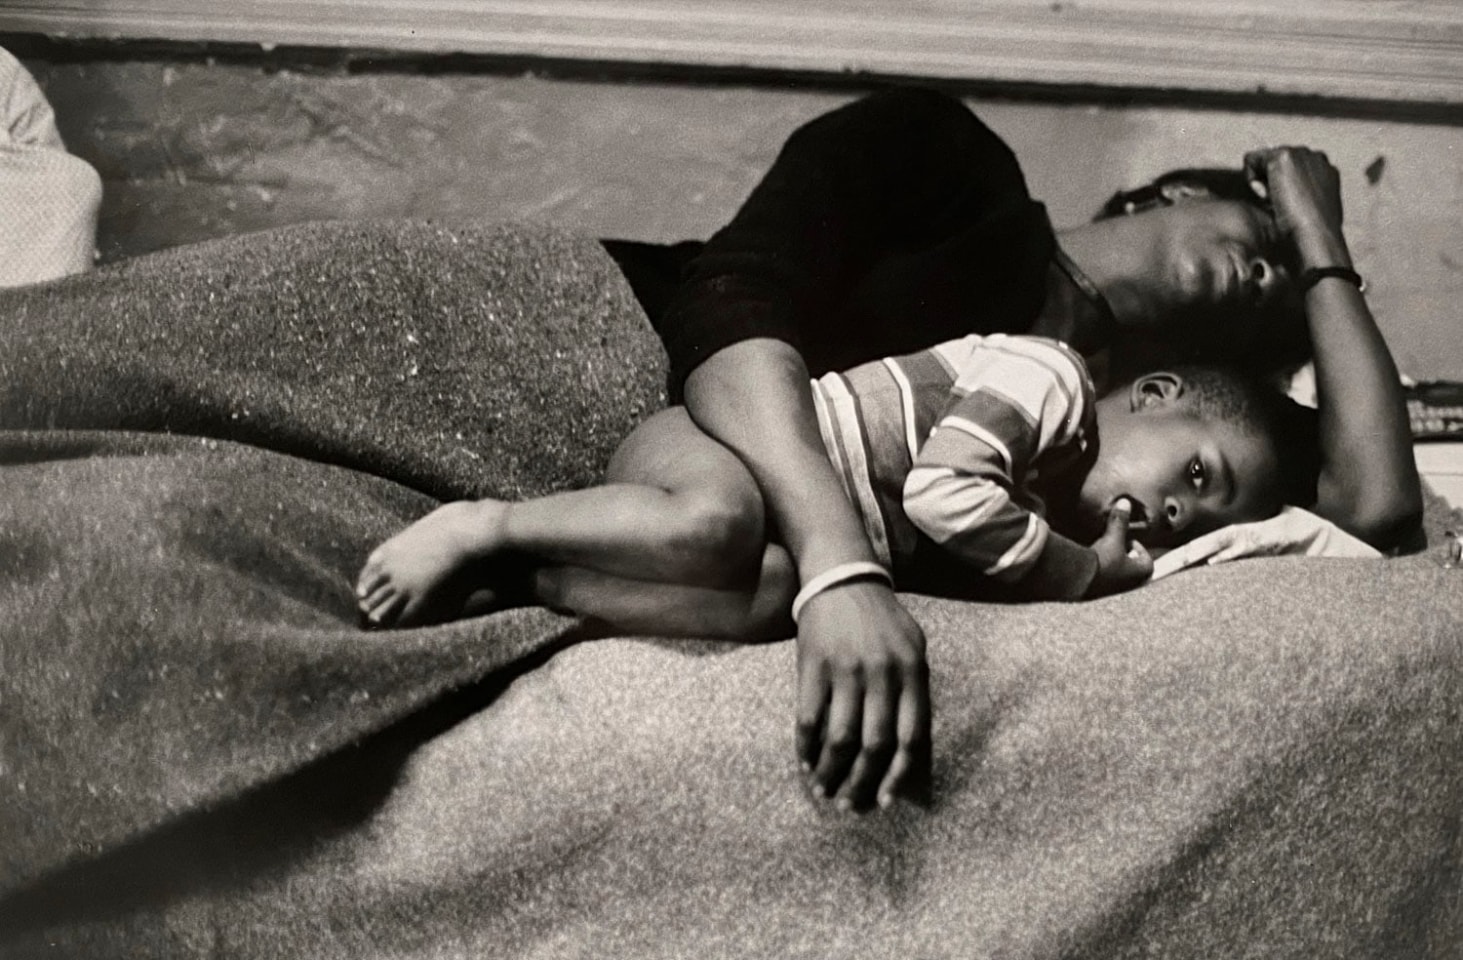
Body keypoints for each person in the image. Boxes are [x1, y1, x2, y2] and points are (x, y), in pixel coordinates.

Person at [399, 86, 1423, 812]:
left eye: (1282, 296)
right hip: (563, 333)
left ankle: (522, 584)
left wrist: (1322, 247)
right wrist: (841, 569)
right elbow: (729, 308)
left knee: (754, 582)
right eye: (1261, 236)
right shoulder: (952, 162)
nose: (1270, 275)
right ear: (1160, 202)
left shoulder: (1084, 465)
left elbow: (1373, 508)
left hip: (686, 518)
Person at [356, 328, 1315, 624]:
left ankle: (537, 584)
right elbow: (943, 493)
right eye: (1197, 470)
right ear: (1153, 394)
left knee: (772, 592)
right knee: (717, 527)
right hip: (721, 446)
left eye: (1196, 518)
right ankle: (489, 522)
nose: (1175, 510)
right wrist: (1082, 574)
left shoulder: (1040, 512)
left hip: (788, 533)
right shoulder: (1050, 383)